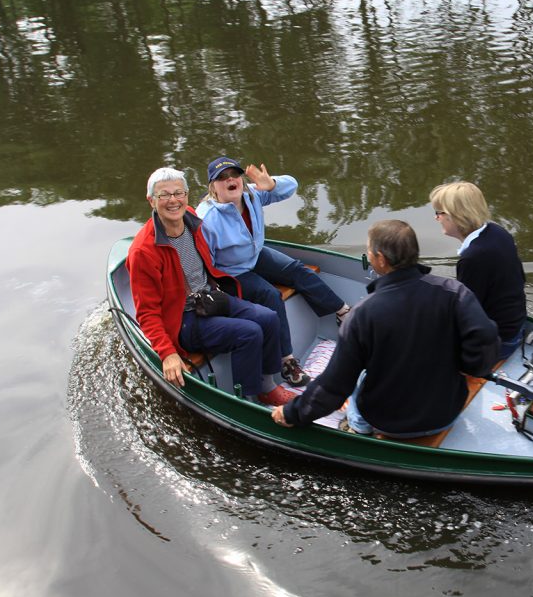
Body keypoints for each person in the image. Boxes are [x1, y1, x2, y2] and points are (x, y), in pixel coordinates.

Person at [271, 220, 499, 437]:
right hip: (446, 413)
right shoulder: (454, 292)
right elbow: (486, 338)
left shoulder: (363, 314)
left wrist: (292, 413)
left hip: (389, 423)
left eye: (369, 251)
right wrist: (468, 366)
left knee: (359, 378)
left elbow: (333, 387)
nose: (369, 256)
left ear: (380, 259)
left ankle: (356, 426)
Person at [127, 167, 295, 406]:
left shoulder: (192, 219)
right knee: (249, 333)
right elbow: (146, 312)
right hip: (183, 318)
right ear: (151, 200)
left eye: (178, 193)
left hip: (209, 298)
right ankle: (247, 399)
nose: (173, 200)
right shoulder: (143, 251)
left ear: (186, 195)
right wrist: (167, 353)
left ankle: (267, 387)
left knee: (268, 318)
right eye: (164, 195)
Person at [196, 156, 350, 387]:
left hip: (255, 255)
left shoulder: (252, 195)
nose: (230, 180)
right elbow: (203, 261)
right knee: (270, 295)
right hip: (230, 272)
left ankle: (343, 312)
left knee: (298, 270)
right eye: (222, 178)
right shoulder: (207, 217)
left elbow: (292, 186)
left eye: (234, 175)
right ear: (213, 186)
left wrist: (272, 185)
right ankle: (286, 361)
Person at [428, 181, 527, 359]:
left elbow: (467, 313)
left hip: (500, 342)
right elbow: (521, 278)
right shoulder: (498, 232)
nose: (437, 218)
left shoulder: (474, 257)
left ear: (455, 216)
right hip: (516, 325)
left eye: (439, 213)